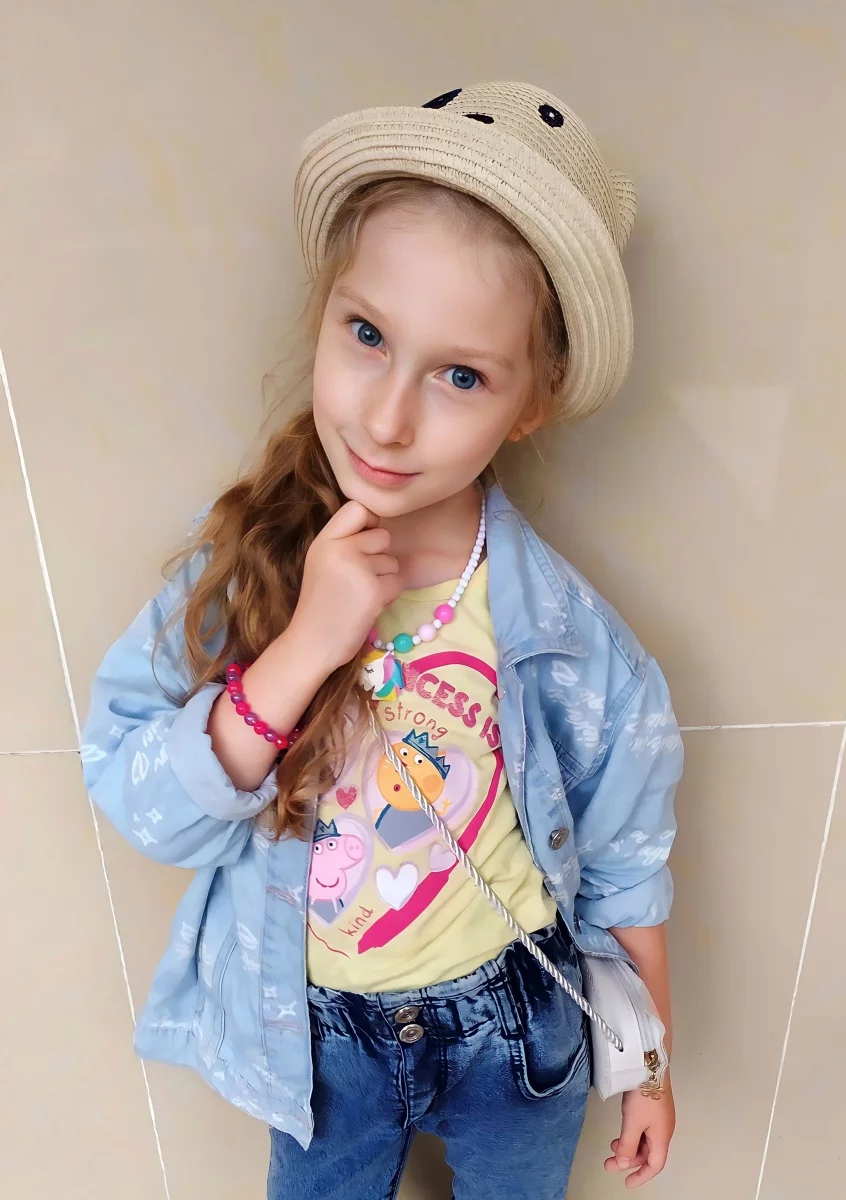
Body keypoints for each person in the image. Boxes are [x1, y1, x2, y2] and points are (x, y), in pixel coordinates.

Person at [81, 81, 683, 1199]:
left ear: (530, 401)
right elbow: (139, 803)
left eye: (461, 375)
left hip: (515, 1028)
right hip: (319, 1041)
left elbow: (627, 861)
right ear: (324, 314)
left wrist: (645, 1065)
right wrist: (302, 647)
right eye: (367, 335)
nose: (388, 417)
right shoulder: (240, 567)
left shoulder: (567, 638)